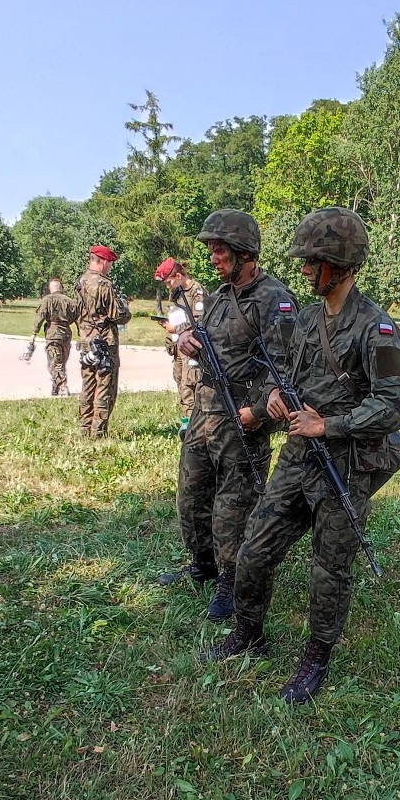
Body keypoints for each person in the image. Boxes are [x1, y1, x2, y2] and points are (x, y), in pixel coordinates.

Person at [208, 207, 400, 704]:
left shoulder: (376, 329)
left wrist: (331, 424)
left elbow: (395, 405)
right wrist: (277, 400)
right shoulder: (304, 320)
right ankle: (249, 633)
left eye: (311, 262)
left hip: (346, 466)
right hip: (298, 457)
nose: (302, 271)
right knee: (254, 548)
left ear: (339, 265)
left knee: (329, 568)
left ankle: (316, 659)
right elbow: (289, 377)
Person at [157, 209, 298, 622]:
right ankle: (201, 564)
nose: (213, 258)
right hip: (204, 411)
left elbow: (285, 371)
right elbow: (207, 338)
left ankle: (230, 580)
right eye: (211, 250)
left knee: (232, 509)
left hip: (241, 421)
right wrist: (186, 339)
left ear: (244, 253)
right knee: (192, 495)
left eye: (220, 250)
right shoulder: (219, 296)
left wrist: (256, 414)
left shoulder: (276, 300)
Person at [75, 245, 131, 439]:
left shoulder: (80, 282)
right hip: (105, 342)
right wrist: (125, 306)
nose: (110, 268)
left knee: (88, 385)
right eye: (110, 264)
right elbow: (119, 315)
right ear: (104, 262)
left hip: (86, 341)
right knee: (105, 386)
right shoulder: (104, 284)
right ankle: (98, 432)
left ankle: (84, 428)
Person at [153, 258, 207, 439]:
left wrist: (175, 327)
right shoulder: (177, 293)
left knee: (191, 386)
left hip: (192, 349)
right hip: (178, 349)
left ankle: (195, 428)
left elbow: (200, 323)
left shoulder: (196, 292)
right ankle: (187, 422)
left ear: (178, 275)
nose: (168, 286)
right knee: (182, 385)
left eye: (169, 282)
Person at [29, 277, 78, 396]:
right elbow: (77, 319)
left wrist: (33, 334)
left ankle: (62, 387)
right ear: (61, 288)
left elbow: (39, 318)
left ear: (50, 289)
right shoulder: (70, 302)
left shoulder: (46, 300)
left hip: (53, 334)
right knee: (61, 362)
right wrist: (82, 336)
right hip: (66, 334)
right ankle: (55, 387)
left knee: (55, 363)